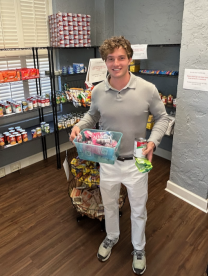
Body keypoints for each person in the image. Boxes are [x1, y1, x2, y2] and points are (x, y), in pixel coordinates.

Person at [70, 36, 169, 275]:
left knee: (138, 209)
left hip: (137, 160)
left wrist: (153, 143)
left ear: (129, 60)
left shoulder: (147, 89)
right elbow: (92, 116)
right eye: (111, 59)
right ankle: (112, 237)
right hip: (108, 160)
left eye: (121, 58)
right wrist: (79, 126)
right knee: (109, 205)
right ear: (105, 61)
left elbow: (162, 118)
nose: (116, 63)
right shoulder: (98, 91)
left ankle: (138, 248)